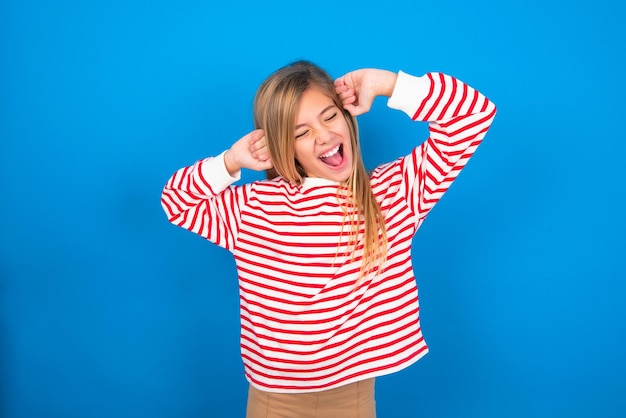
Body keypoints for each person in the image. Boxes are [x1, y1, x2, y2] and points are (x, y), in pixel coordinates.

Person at [161, 60, 496, 418]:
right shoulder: (253, 207)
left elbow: (473, 116)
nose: (322, 136)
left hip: (352, 401)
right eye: (300, 132)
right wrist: (230, 162)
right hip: (275, 403)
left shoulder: (394, 193)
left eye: (329, 116)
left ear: (347, 116)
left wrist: (387, 84)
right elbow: (177, 203)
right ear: (283, 146)